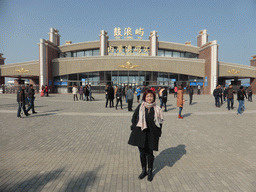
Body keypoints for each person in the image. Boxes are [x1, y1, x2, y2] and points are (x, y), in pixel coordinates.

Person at [128, 89, 164, 182]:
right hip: (141, 134)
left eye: (151, 96)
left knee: (150, 154)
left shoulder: (157, 108)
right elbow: (134, 117)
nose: (149, 98)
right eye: (148, 96)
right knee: (142, 153)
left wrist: (159, 131)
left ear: (153, 98)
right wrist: (133, 126)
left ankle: (150, 171)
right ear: (145, 97)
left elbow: (160, 121)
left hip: (152, 134)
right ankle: (144, 170)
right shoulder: (140, 106)